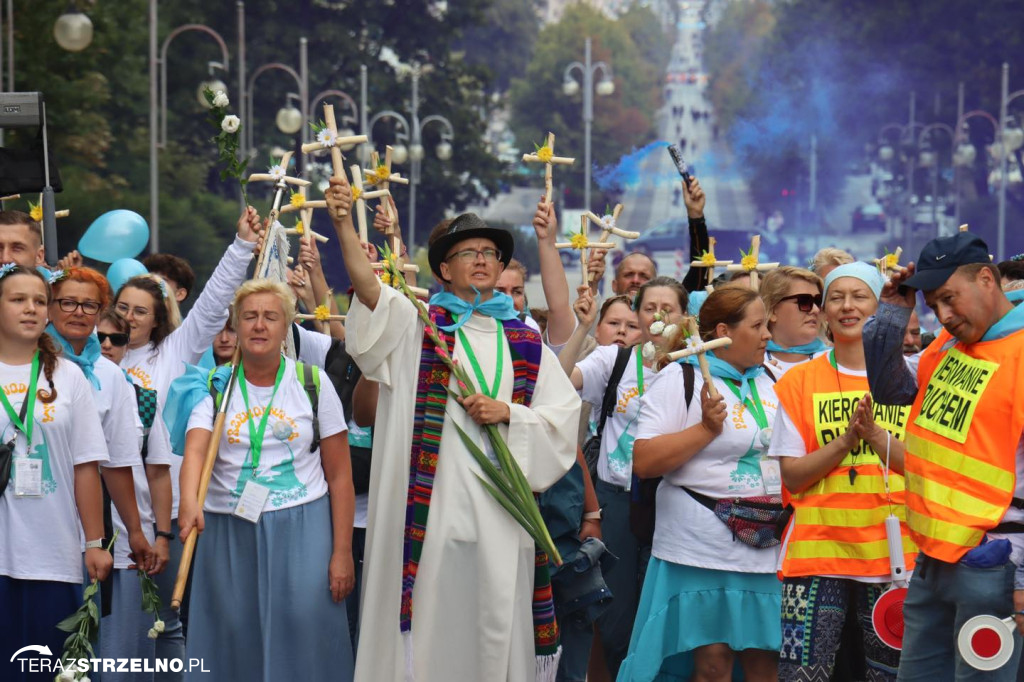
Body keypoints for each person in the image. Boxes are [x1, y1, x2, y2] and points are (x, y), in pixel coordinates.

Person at [327, 172, 580, 681]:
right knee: (429, 625)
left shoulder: (524, 340)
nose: (483, 259)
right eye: (469, 252)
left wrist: (510, 413)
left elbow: (564, 417)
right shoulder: (419, 327)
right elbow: (369, 288)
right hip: (430, 508)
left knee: (491, 625)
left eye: (491, 251)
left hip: (501, 514)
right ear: (444, 268)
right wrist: (341, 226)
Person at [864, 233, 1024, 680]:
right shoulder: (949, 345)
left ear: (988, 279)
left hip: (997, 560)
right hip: (933, 557)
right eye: (934, 305)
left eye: (950, 299)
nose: (945, 316)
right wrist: (895, 311)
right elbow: (890, 389)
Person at [176, 279, 354, 680]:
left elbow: (340, 476)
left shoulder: (312, 381)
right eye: (250, 317)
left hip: (302, 522)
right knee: (233, 632)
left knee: (304, 627)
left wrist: (342, 552)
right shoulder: (215, 385)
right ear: (236, 325)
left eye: (270, 317)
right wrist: (189, 501)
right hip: (227, 525)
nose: (259, 325)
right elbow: (196, 452)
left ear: (286, 326)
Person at [113, 207, 261, 676]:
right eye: (122, 309)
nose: (130, 318)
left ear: (157, 318)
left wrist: (241, 247)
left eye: (141, 311)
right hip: (105, 513)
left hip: (165, 511)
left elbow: (216, 301)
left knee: (166, 621)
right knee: (120, 621)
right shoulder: (90, 359)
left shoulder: (174, 351)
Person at [619, 286, 781, 682]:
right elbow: (644, 461)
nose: (767, 336)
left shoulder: (773, 377)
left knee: (766, 663)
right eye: (758, 326)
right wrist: (707, 429)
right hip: (700, 547)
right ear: (724, 331)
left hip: (767, 543)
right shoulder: (681, 376)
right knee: (713, 665)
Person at [770, 262, 913, 680]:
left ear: (876, 306)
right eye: (836, 297)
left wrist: (874, 436)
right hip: (817, 557)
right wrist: (846, 441)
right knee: (801, 675)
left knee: (891, 675)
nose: (847, 306)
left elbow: (925, 469)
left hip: (895, 559)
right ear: (825, 311)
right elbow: (792, 476)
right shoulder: (800, 381)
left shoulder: (911, 377)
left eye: (859, 296)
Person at [568, 276, 687, 679]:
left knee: (662, 612)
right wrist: (583, 327)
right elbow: (557, 383)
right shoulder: (614, 361)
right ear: (637, 316)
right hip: (615, 500)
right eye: (649, 308)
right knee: (615, 618)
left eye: (667, 309)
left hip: (673, 501)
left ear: (684, 318)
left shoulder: (697, 365)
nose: (658, 316)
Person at [0, 266, 112, 679]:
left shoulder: (69, 376)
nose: (30, 309)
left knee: (54, 672)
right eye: (17, 300)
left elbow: (86, 466)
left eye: (38, 301)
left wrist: (95, 542)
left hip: (54, 556)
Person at [759, 266, 825, 377]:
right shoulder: (749, 366)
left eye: (818, 301)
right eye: (804, 301)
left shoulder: (838, 362)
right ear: (773, 309)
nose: (815, 309)